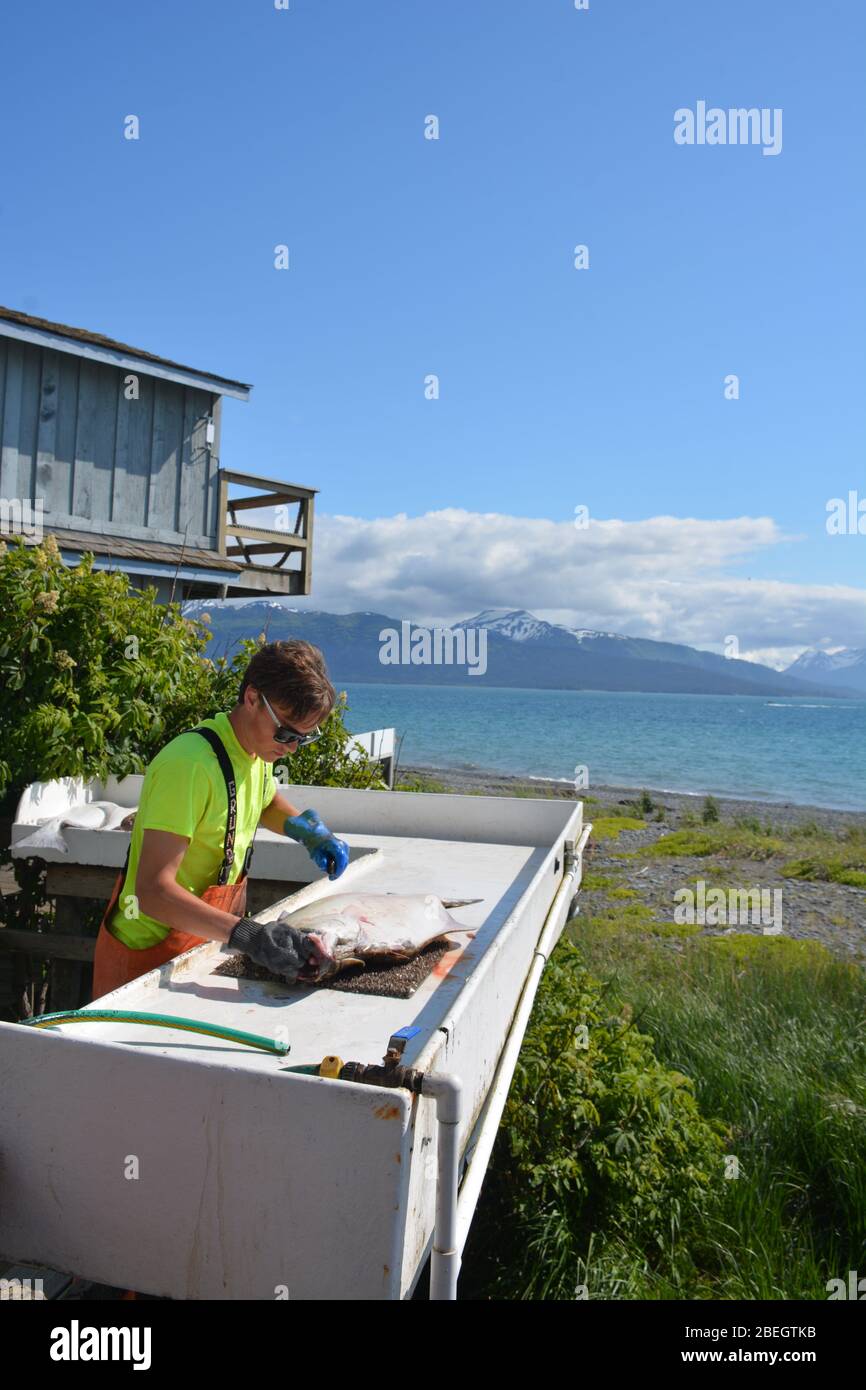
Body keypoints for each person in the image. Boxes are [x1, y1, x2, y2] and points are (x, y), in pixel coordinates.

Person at [90, 638, 350, 1000]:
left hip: (200, 943)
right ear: (252, 698)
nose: (290, 747)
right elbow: (151, 892)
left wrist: (308, 832)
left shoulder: (256, 754)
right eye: (287, 733)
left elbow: (263, 801)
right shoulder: (189, 765)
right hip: (143, 961)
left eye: (302, 740)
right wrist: (250, 936)